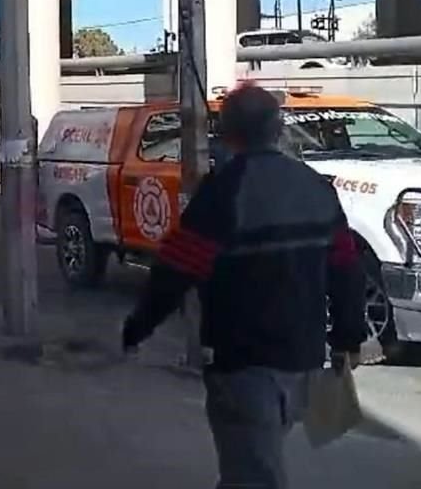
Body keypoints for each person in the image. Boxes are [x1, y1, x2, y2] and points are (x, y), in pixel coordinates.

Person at [121, 83, 367, 489]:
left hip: (244, 365)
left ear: (228, 133)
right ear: (278, 128)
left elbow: (176, 270)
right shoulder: (316, 187)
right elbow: (346, 269)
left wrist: (138, 327)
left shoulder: (224, 192)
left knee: (253, 473)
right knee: (251, 465)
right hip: (303, 360)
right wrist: (347, 338)